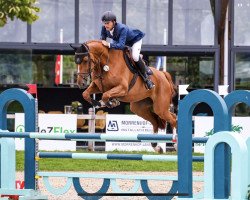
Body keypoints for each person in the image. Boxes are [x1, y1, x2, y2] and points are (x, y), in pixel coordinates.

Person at [100, 11, 155, 90]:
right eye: (104, 23)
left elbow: (121, 45)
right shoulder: (104, 28)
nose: (105, 25)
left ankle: (147, 78)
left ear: (114, 22)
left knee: (135, 57)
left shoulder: (122, 28)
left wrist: (108, 44)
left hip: (135, 40)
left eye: (107, 23)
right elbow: (102, 41)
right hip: (121, 41)